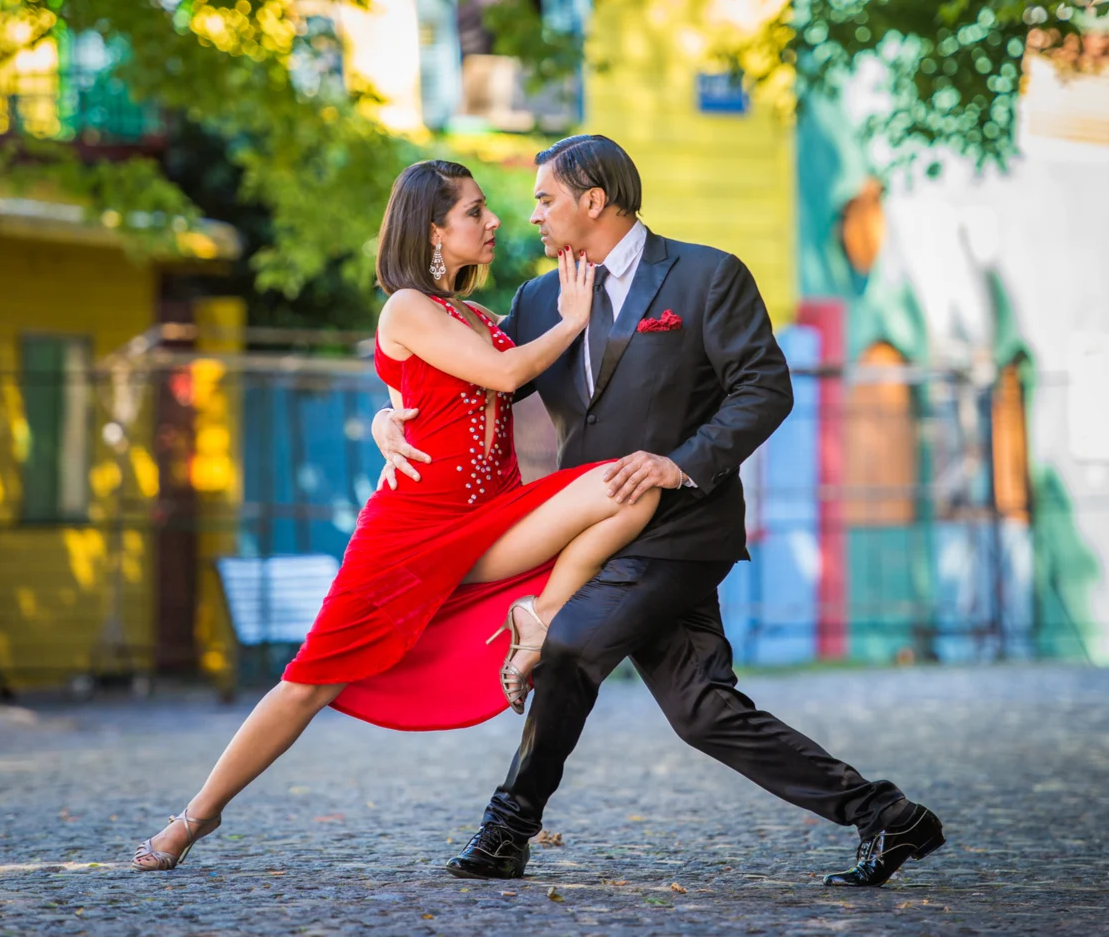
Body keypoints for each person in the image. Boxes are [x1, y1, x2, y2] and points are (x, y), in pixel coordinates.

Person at [373, 134, 944, 888]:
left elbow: (765, 389)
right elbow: (472, 385)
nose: (533, 215)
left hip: (683, 529)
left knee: (568, 645)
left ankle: (506, 829)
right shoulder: (542, 300)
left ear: (594, 200)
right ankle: (890, 817)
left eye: (546, 199)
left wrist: (681, 463)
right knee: (703, 710)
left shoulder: (708, 276)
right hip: (597, 533)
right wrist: (390, 417)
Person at [132, 159, 660, 871]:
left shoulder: (472, 315)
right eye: (475, 211)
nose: (495, 220)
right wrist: (571, 322)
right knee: (307, 684)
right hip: (410, 535)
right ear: (433, 231)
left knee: (634, 486)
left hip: (494, 520)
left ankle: (536, 618)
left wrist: (388, 414)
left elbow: (432, 386)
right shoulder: (405, 307)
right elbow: (504, 375)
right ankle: (196, 817)